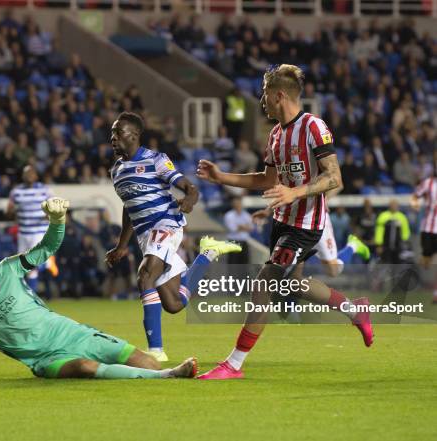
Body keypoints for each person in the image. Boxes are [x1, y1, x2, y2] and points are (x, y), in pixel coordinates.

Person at [0, 198, 198, 381]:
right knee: (85, 367)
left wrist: (57, 220)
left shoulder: (3, 271)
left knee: (145, 361)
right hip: (46, 360)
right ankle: (169, 375)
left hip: (73, 333)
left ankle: (162, 372)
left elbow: (45, 250)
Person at [196, 65, 374, 380]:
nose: (261, 102)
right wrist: (221, 177)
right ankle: (353, 308)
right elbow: (265, 179)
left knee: (265, 282)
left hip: (306, 223)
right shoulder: (276, 135)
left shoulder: (313, 126)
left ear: (279, 95)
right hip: (282, 220)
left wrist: (296, 192)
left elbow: (334, 176)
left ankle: (233, 364)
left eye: (264, 95)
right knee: (287, 290)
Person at [105, 111, 241, 362]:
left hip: (166, 223)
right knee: (174, 304)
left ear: (134, 135)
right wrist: (121, 245)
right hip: (146, 235)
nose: (112, 137)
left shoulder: (156, 160)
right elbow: (129, 206)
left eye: (118, 132)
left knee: (145, 276)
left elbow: (189, 187)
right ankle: (207, 255)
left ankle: (156, 351)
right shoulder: (117, 170)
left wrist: (189, 200)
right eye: (112, 132)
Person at [5, 165, 55, 292]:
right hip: (23, 233)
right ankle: (31, 295)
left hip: (39, 231)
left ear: (36, 176)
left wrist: (49, 214)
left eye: (31, 173)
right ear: (23, 176)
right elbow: (8, 212)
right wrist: (10, 211)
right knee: (25, 267)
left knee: (32, 263)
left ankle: (47, 263)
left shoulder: (44, 190)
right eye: (26, 174)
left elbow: (54, 208)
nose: (29, 176)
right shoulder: (16, 192)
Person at [411, 169, 437, 302]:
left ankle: (435, 293)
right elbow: (415, 196)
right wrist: (415, 207)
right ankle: (414, 273)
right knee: (426, 262)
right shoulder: (428, 183)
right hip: (428, 228)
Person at [374, 200, 411, 264]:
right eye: (392, 205)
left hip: (398, 246)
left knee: (397, 263)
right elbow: (379, 232)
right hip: (385, 246)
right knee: (385, 262)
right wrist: (379, 244)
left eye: (395, 205)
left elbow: (405, 231)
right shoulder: (383, 216)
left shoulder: (402, 217)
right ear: (389, 206)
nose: (394, 207)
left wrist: (405, 242)